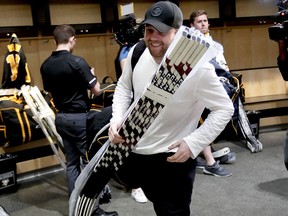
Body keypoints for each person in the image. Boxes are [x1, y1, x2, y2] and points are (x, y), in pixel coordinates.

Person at [109, 1, 234, 216]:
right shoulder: (137, 52)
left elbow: (224, 108)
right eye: (149, 30)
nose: (153, 37)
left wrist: (194, 143)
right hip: (137, 153)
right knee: (159, 207)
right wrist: (117, 117)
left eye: (162, 32)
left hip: (173, 159)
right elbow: (123, 86)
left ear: (177, 33)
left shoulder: (197, 68)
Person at [40, 24, 118, 216]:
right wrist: (91, 75)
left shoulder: (45, 65)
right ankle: (93, 210)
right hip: (79, 119)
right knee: (90, 164)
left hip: (61, 118)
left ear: (56, 40)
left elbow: (50, 91)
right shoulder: (77, 62)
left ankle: (75, 206)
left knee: (72, 164)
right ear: (72, 39)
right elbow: (97, 90)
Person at [190, 10, 236, 177]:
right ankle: (210, 162)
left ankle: (205, 154)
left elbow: (223, 68)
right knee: (199, 122)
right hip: (197, 90)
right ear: (192, 25)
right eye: (199, 21)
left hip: (215, 86)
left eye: (205, 21)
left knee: (217, 116)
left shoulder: (215, 45)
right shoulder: (191, 44)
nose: (203, 24)